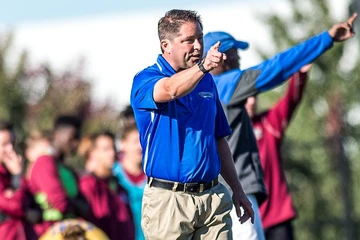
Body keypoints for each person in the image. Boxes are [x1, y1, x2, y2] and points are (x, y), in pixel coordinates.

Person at [203, 13, 357, 240]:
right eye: (236, 53)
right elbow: (276, 68)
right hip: (237, 193)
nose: (240, 59)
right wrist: (327, 39)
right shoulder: (226, 84)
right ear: (223, 57)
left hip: (214, 196)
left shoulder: (200, 91)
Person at [130, 9, 254, 240]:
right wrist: (204, 67)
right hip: (168, 202)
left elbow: (219, 139)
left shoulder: (206, 81)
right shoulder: (145, 80)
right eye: (188, 40)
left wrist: (237, 190)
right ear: (165, 45)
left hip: (213, 198)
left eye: (199, 38)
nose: (198, 45)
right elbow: (170, 90)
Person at [246, 64, 311, 240]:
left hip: (277, 218)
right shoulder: (224, 133)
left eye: (254, 96)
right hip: (246, 220)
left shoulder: (269, 123)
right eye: (246, 97)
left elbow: (291, 100)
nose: (251, 101)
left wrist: (300, 73)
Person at [28, 115, 89, 236]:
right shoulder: (44, 163)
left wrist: (74, 204)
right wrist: (76, 205)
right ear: (56, 135)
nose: (75, 144)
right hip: (50, 233)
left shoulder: (65, 167)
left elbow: (86, 207)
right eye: (72, 138)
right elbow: (61, 202)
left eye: (78, 138)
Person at [79, 131, 135, 240]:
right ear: (93, 153)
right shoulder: (88, 185)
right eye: (106, 149)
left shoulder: (118, 186)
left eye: (113, 148)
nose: (112, 153)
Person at [0, 121, 38, 240]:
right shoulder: (13, 173)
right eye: (5, 144)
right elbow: (17, 206)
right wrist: (17, 176)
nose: (11, 149)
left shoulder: (8, 172)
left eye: (12, 143)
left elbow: (34, 206)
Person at [113, 122, 146, 240]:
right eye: (135, 141)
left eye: (143, 140)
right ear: (122, 144)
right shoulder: (114, 176)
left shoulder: (154, 175)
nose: (140, 146)